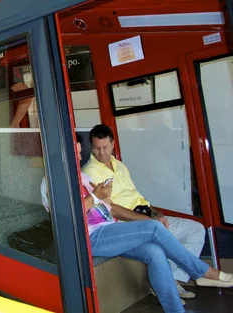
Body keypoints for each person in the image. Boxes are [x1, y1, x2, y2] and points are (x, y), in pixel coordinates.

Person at [73, 134, 233, 313]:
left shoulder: (83, 177)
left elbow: (107, 206)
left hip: (111, 228)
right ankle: (203, 272)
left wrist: (104, 199)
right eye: (76, 153)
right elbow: (71, 214)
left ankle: (175, 310)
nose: (80, 157)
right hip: (92, 237)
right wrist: (96, 196)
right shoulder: (52, 183)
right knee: (154, 227)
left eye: (80, 152)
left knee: (155, 252)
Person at [82, 124, 206, 300]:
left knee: (196, 229)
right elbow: (111, 210)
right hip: (127, 224)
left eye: (105, 147)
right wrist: (148, 222)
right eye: (96, 148)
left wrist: (156, 214)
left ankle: (171, 279)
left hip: (145, 215)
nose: (101, 153)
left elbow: (138, 196)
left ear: (113, 144)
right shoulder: (89, 173)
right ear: (91, 147)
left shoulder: (119, 166)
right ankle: (203, 274)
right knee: (156, 246)